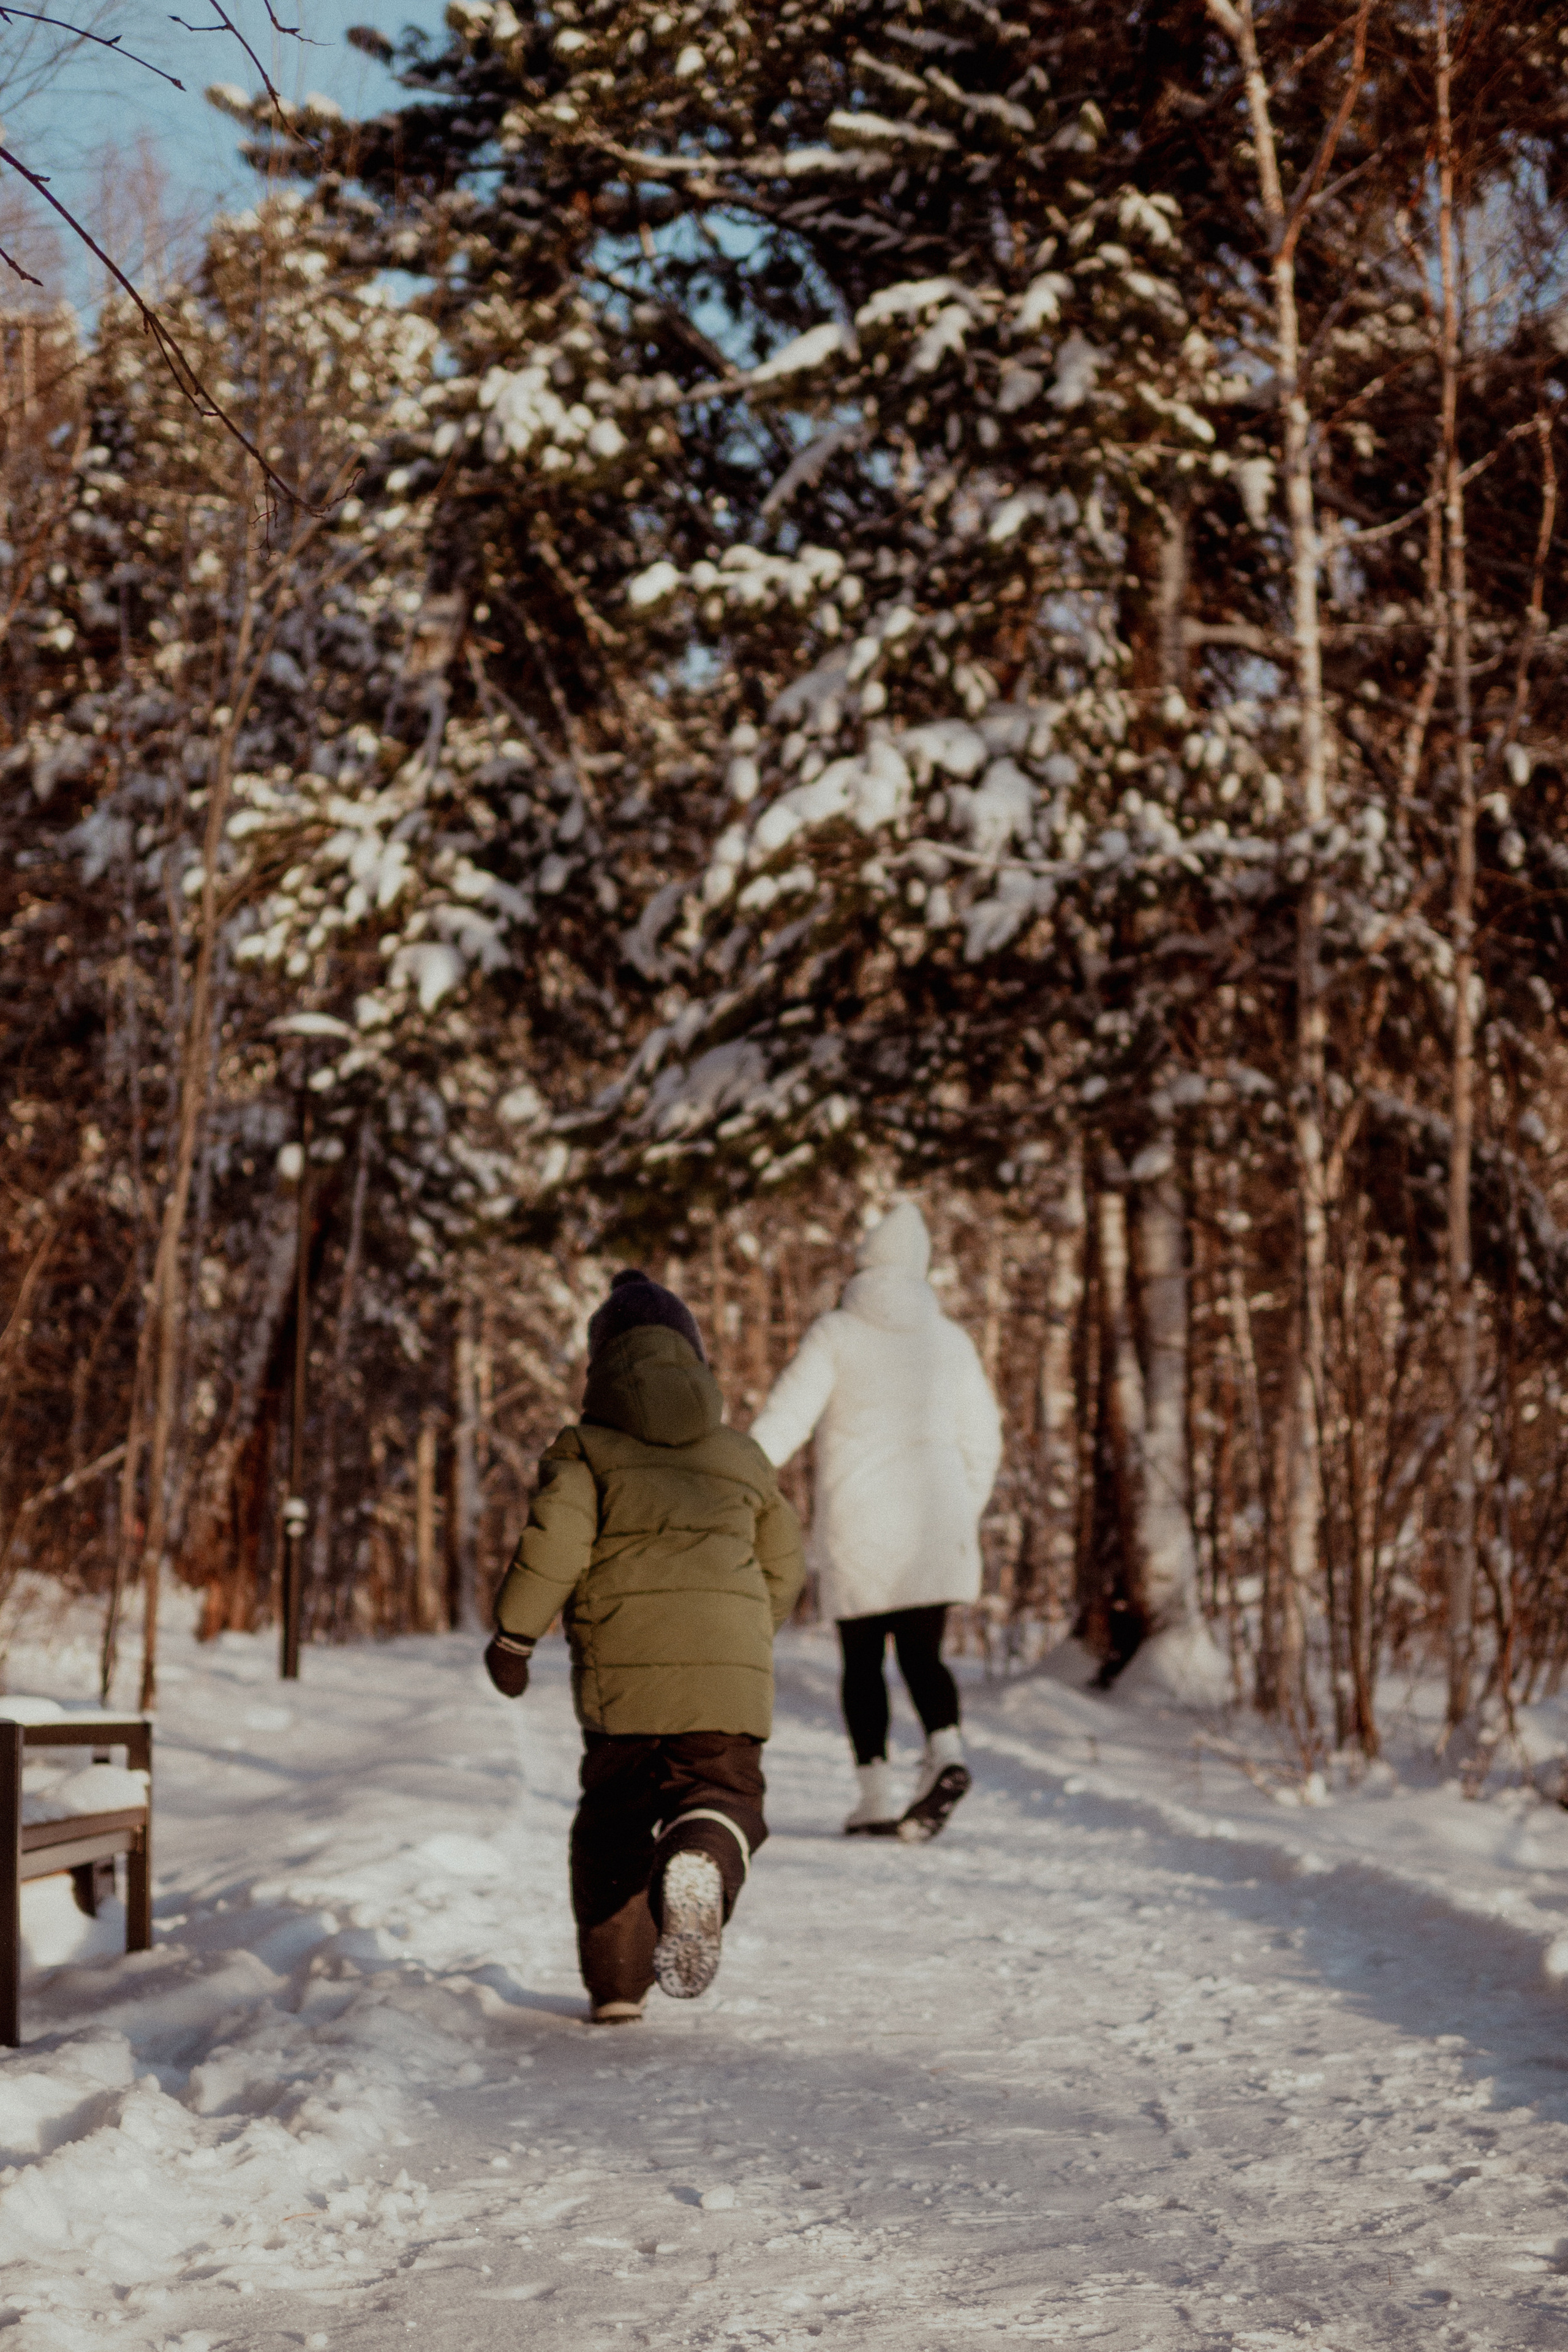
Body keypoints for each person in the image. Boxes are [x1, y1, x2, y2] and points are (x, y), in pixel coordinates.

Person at [485, 1267, 804, 2024]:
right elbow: (784, 1563)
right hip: (726, 1682)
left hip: (621, 1687)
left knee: (612, 1828)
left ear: (601, 1366)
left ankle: (618, 1990)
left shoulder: (585, 1451)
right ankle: (700, 1850)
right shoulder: (742, 1456)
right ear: (693, 1358)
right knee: (723, 1795)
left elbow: (555, 1545)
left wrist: (514, 1638)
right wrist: (747, 1636)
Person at [750, 1199, 1002, 1841]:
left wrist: (735, 1477)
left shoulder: (835, 1333)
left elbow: (787, 1418)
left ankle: (876, 1798)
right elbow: (984, 1442)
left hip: (858, 1524)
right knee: (924, 1656)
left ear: (863, 1264)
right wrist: (960, 1511)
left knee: (862, 1664)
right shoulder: (948, 1340)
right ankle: (946, 1752)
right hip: (932, 1523)